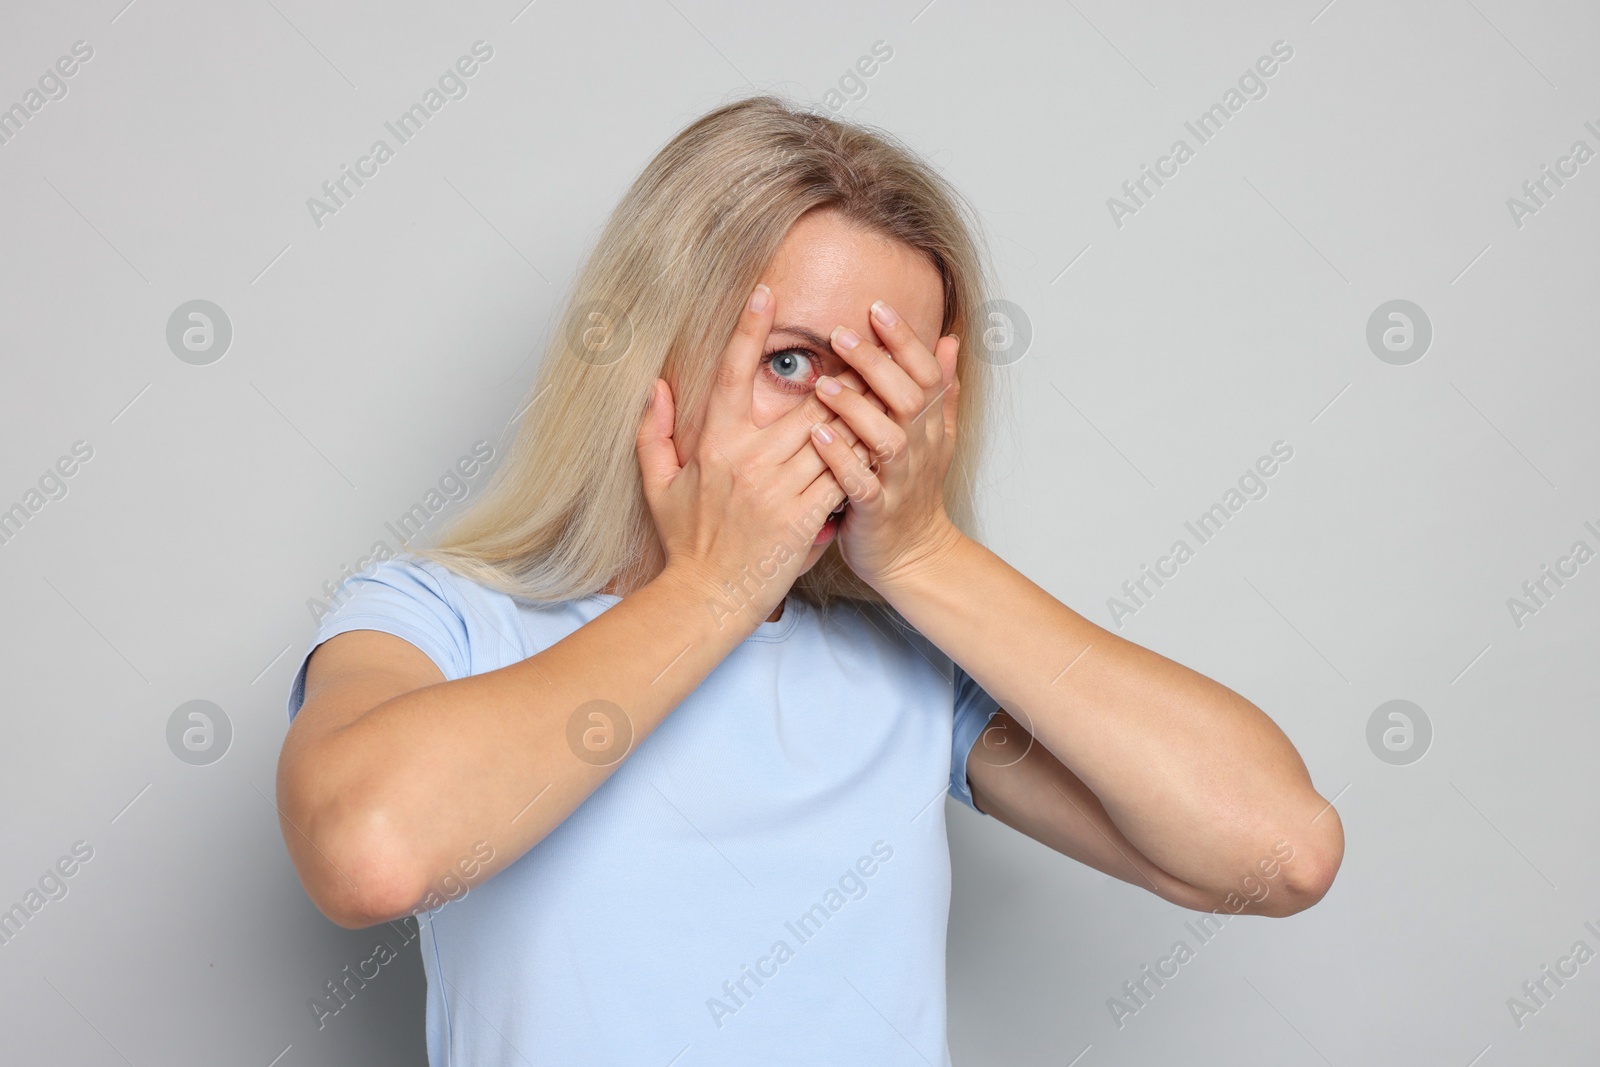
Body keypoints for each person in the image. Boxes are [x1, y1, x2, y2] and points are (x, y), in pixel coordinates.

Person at [276, 95, 1343, 1065]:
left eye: (887, 383)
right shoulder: (439, 618)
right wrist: (712, 586)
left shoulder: (909, 668)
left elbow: (1278, 850)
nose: (841, 428)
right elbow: (370, 851)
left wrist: (925, 555)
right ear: (654, 357)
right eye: (789, 361)